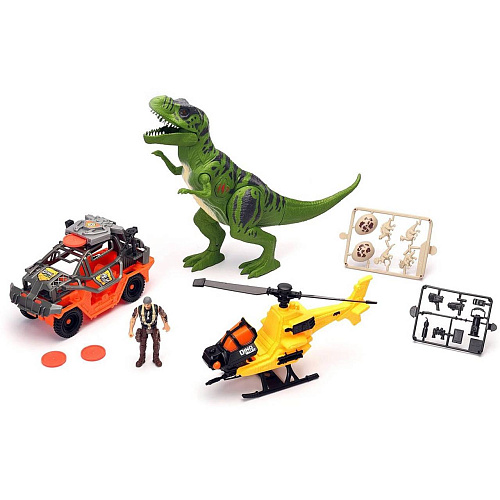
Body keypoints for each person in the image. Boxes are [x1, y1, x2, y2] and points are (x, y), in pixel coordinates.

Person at [129, 296, 170, 367]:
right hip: (144, 328)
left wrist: (166, 324)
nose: (146, 306)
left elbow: (163, 315)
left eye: (148, 304)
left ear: (151, 303)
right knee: (142, 345)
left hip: (154, 327)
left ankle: (156, 358)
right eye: (145, 304)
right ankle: (142, 358)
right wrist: (130, 330)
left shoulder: (156, 307)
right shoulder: (139, 308)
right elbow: (133, 319)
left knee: (156, 344)